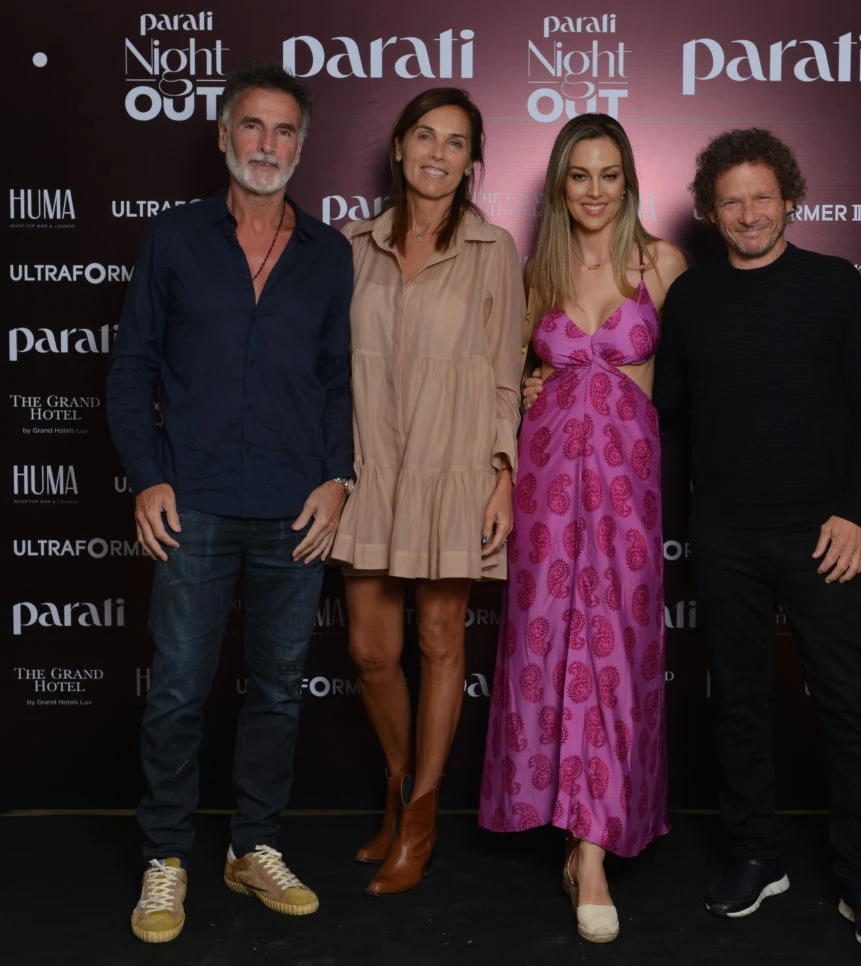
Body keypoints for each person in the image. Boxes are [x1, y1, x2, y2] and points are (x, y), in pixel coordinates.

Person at [107, 61, 353, 943]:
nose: (268, 145)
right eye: (253, 126)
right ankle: (165, 858)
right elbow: (133, 365)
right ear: (222, 134)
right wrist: (148, 474)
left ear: (302, 146)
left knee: (279, 691)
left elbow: (335, 382)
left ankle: (253, 847)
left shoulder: (330, 255)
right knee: (177, 689)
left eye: (285, 131)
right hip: (196, 502)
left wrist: (340, 476)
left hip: (295, 505)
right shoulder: (174, 239)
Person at [653, 128, 861, 952]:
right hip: (724, 533)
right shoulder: (690, 299)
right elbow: (669, 417)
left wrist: (852, 515)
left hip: (821, 534)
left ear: (789, 199)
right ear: (710, 211)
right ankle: (757, 855)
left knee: (846, 707)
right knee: (736, 703)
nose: (749, 213)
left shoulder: (834, 284)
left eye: (762, 196)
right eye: (731, 201)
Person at [479, 114, 687, 943]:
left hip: (628, 487)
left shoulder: (660, 264)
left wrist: (635, 381)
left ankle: (594, 848)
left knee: (615, 648)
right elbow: (509, 371)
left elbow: (699, 376)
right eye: (579, 176)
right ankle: (572, 838)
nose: (595, 191)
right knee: (550, 646)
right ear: (560, 184)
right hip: (549, 490)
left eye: (608, 175)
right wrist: (533, 390)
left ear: (628, 181)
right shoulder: (538, 272)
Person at [331, 87, 524, 896]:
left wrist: (504, 475)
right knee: (372, 652)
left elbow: (509, 378)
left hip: (453, 470)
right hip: (371, 467)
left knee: (441, 641)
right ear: (400, 149)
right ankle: (399, 785)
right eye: (424, 137)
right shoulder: (347, 246)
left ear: (471, 163)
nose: (437, 154)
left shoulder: (493, 250)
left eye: (455, 142)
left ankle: (421, 820)